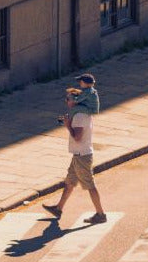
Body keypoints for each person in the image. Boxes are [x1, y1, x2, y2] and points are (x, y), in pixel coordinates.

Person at [44, 75, 107, 225]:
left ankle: (100, 214)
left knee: (90, 185)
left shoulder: (79, 116)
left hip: (82, 156)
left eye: (68, 99)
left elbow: (77, 137)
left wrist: (67, 125)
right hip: (79, 155)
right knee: (70, 182)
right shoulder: (81, 114)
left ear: (75, 101)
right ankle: (58, 208)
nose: (66, 101)